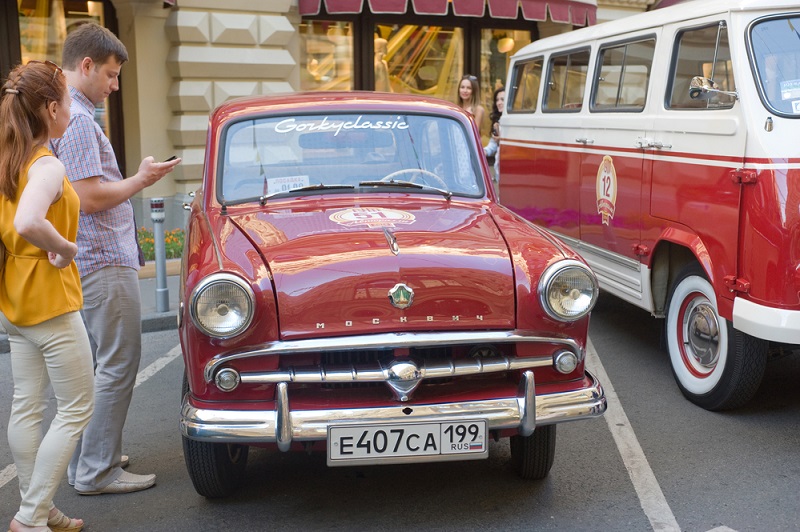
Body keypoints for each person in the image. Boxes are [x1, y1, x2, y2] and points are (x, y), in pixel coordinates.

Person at [50, 23, 180, 496]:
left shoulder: (62, 112)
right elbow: (89, 197)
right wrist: (142, 179)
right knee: (119, 361)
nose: (115, 85)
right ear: (85, 65)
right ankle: (97, 470)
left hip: (86, 259)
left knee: (98, 366)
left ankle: (89, 458)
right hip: (102, 258)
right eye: (110, 74)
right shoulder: (80, 119)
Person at [1, 61, 94, 532]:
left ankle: (39, 509)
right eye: (68, 100)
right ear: (53, 109)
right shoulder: (46, 163)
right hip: (49, 298)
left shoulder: (10, 158)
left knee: (27, 405)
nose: (73, 108)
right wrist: (66, 245)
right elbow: (28, 223)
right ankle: (31, 516)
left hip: (16, 298)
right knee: (78, 404)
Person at [483, 86, 505, 185]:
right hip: (498, 171)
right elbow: (493, 145)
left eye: (502, 99)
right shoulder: (497, 122)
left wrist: (502, 140)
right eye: (497, 100)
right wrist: (484, 151)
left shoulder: (514, 122)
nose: (499, 102)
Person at [457, 74, 488, 140]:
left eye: (469, 88)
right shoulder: (457, 108)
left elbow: (474, 133)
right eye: (462, 87)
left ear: (474, 91)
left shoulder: (478, 109)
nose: (465, 91)